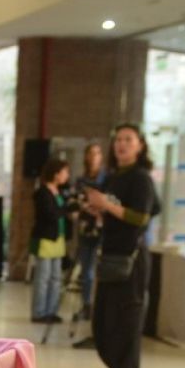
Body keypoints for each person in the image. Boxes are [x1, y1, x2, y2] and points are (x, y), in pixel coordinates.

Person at [89, 124, 160, 368]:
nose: (122, 144)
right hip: (110, 255)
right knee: (104, 319)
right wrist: (99, 210)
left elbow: (142, 216)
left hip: (131, 258)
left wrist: (107, 205)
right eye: (118, 139)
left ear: (140, 145)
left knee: (126, 319)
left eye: (128, 140)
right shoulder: (113, 177)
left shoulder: (141, 178)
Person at [72, 142, 108, 344]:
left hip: (103, 230)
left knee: (98, 270)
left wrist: (101, 207)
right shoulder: (81, 180)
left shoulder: (106, 179)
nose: (94, 157)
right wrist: (87, 206)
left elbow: (110, 202)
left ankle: (97, 307)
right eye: (91, 153)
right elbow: (76, 201)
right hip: (86, 230)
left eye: (97, 153)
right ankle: (86, 304)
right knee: (86, 270)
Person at [29, 157, 71, 324]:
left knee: (55, 278)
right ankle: (39, 312)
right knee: (43, 278)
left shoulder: (59, 192)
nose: (67, 175)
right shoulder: (42, 193)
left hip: (57, 239)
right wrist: (67, 209)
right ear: (55, 174)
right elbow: (50, 214)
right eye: (64, 172)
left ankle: (51, 311)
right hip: (45, 239)